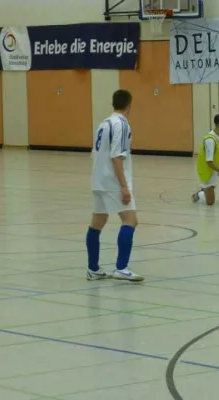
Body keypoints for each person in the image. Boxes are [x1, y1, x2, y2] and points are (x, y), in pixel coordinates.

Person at [86, 89, 143, 282]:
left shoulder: (104, 123)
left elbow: (95, 153)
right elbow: (116, 156)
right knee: (130, 220)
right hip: (112, 180)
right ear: (129, 106)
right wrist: (124, 186)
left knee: (97, 222)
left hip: (98, 179)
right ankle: (121, 268)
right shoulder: (122, 124)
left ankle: (93, 268)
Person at [192, 114, 219, 205]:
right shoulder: (210, 140)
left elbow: (217, 148)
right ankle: (200, 193)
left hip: (216, 164)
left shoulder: (218, 136)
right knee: (210, 203)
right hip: (208, 170)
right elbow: (209, 162)